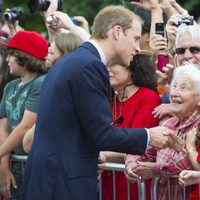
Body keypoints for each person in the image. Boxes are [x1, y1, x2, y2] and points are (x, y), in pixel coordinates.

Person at [20, 5, 183, 200]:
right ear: (117, 31)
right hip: (62, 185)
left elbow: (70, 129)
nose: (138, 48)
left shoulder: (70, 61)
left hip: (50, 180)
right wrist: (149, 136)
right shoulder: (90, 65)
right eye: (135, 39)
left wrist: (88, 153)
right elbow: (102, 134)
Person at [125, 63, 200, 200]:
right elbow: (144, 148)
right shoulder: (168, 123)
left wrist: (156, 169)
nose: (174, 93)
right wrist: (131, 163)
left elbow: (188, 163)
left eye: (183, 88)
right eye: (174, 86)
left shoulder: (198, 126)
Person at [101, 53, 160, 200]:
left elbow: (138, 148)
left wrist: (96, 154)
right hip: (109, 185)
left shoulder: (148, 98)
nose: (107, 69)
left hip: (134, 185)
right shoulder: (110, 99)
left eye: (114, 64)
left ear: (133, 69)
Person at [0, 30, 48, 199]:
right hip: (15, 164)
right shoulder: (10, 86)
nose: (6, 60)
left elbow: (25, 126)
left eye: (11, 55)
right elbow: (4, 128)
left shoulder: (41, 83)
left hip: (34, 166)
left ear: (24, 57)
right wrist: (3, 167)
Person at [23, 32, 84, 153]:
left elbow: (28, 144)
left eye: (51, 53)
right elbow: (27, 144)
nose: (46, 56)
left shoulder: (73, 92)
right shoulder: (50, 83)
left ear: (65, 57)